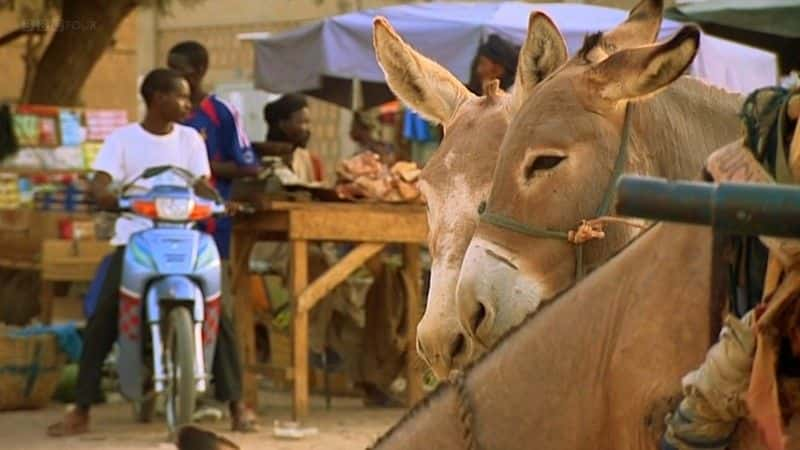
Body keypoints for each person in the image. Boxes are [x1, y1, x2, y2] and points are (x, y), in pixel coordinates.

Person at [46, 68, 256, 437]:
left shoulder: (191, 139)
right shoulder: (122, 139)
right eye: (182, 97)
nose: (189, 105)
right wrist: (105, 195)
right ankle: (81, 409)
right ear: (158, 98)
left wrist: (221, 203)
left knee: (219, 312)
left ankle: (238, 405)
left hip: (184, 237)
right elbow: (100, 181)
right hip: (136, 239)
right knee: (103, 314)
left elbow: (202, 186)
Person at [166, 40, 259, 427]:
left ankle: (236, 403)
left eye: (183, 69)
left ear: (201, 68)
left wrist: (206, 169)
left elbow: (248, 166)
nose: (176, 77)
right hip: (166, 225)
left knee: (219, 314)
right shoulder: (165, 113)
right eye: (170, 69)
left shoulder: (220, 113)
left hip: (210, 229)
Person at [258, 93, 324, 183]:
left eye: (307, 122)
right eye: (301, 122)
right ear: (282, 123)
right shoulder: (260, 161)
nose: (306, 128)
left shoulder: (313, 162)